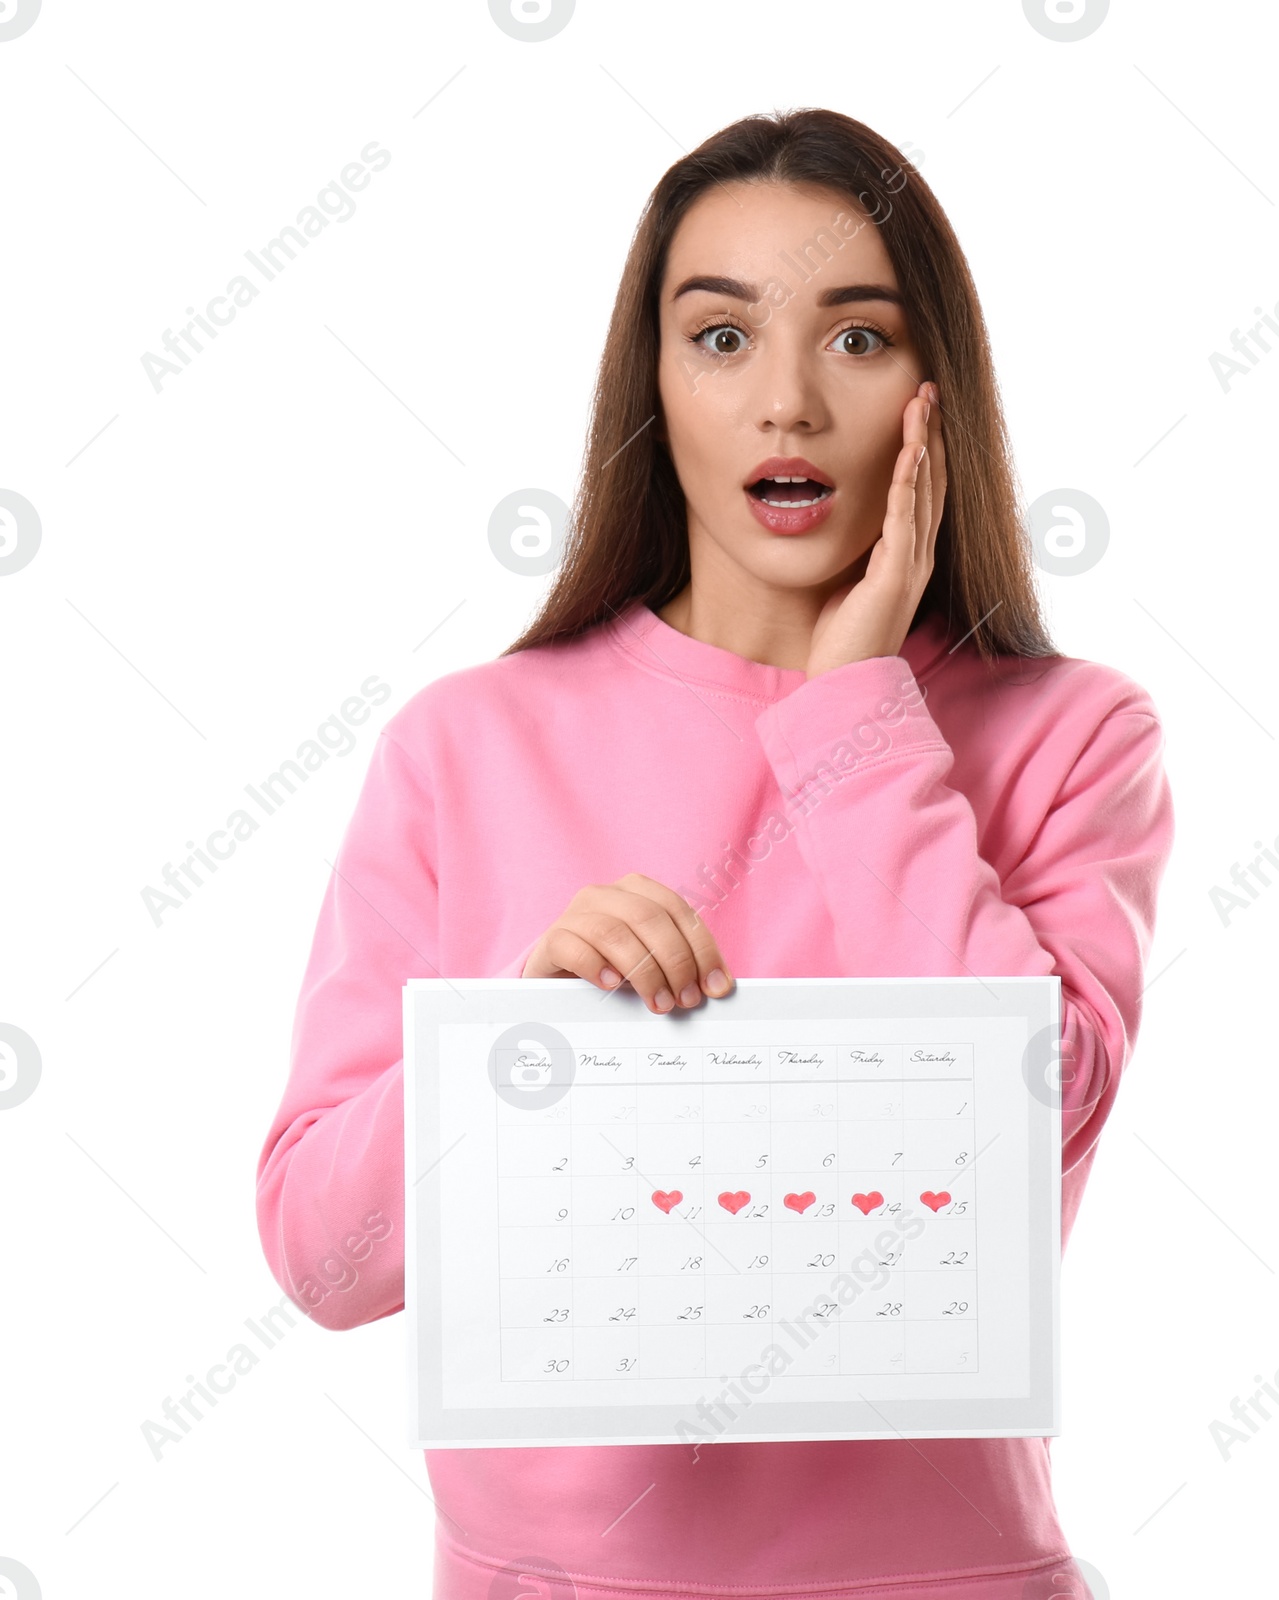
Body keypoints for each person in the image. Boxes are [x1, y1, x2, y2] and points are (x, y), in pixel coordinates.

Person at [255, 105, 1175, 1600]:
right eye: (724, 339)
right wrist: (523, 1037)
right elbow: (321, 1258)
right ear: (655, 386)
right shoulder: (467, 743)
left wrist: (858, 720)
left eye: (859, 338)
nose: (790, 404)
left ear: (939, 389)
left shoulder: (1073, 737)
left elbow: (1035, 1119)